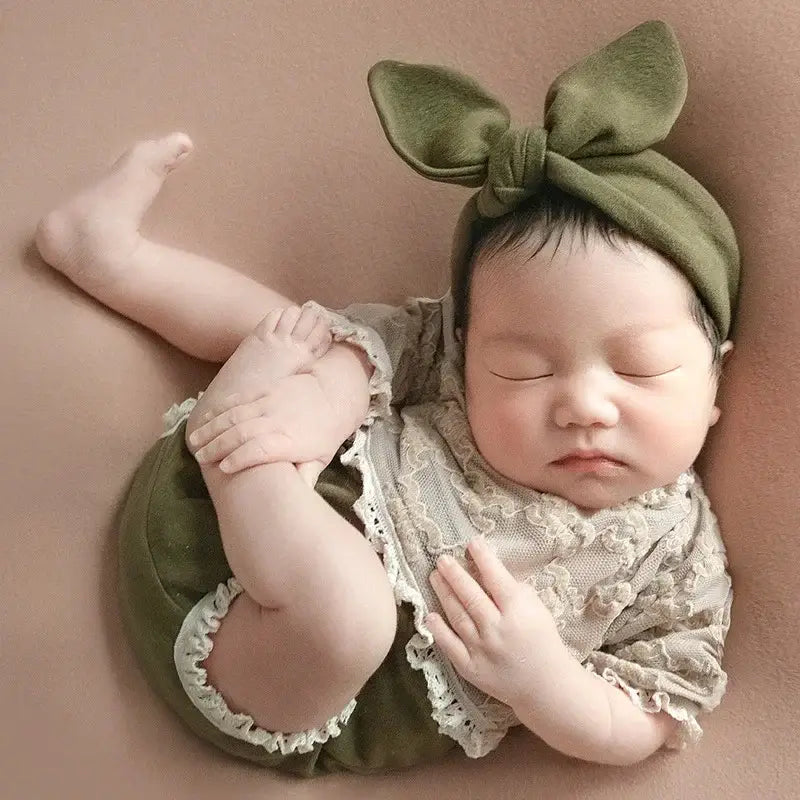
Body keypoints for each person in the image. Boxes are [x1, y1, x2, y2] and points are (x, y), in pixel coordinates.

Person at [35, 20, 738, 778]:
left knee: (350, 613)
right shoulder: (446, 351)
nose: (582, 407)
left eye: (638, 370)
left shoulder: (681, 553)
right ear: (471, 353)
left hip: (280, 672)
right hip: (208, 530)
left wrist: (546, 683)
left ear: (714, 385)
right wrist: (323, 402)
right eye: (525, 372)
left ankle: (237, 456)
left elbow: (651, 717)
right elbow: (373, 344)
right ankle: (110, 257)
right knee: (310, 332)